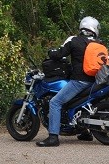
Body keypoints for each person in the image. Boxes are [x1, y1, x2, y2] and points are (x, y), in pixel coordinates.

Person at [36, 16, 102, 147]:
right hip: (95, 81)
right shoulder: (98, 44)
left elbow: (59, 54)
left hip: (79, 81)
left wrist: (51, 52)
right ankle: (84, 132)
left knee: (55, 102)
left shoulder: (75, 41)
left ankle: (53, 137)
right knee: (79, 105)